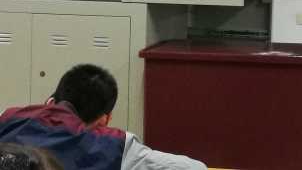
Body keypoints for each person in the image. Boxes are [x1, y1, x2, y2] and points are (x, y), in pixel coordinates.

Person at [0, 64, 206, 170]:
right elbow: (194, 168)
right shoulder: (113, 146)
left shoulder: (8, 118)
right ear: (104, 120)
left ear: (50, 101)